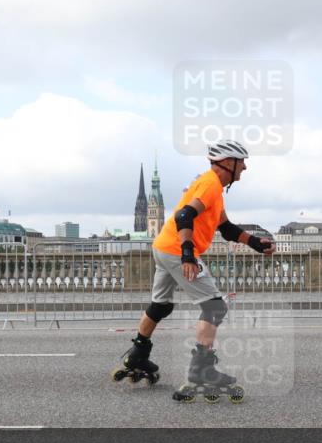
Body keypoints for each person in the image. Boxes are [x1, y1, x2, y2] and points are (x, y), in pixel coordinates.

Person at [111, 139, 276, 402]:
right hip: (177, 250)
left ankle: (138, 355)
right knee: (215, 308)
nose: (245, 167)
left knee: (160, 306)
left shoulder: (211, 186)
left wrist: (255, 243)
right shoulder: (210, 185)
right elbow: (184, 216)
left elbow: (227, 228)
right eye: (242, 161)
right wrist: (188, 253)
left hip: (163, 246)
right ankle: (202, 370)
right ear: (228, 163)